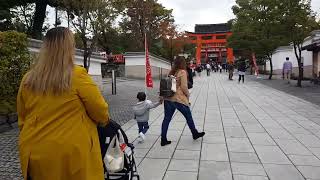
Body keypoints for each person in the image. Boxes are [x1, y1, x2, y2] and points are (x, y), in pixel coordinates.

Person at [17, 27, 109, 180]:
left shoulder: (28, 78)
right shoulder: (76, 75)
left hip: (34, 150)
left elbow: (22, 117)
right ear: (69, 48)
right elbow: (100, 111)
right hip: (71, 154)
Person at [161, 57, 205, 146]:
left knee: (166, 119)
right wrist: (188, 95)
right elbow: (184, 86)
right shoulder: (182, 72)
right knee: (188, 116)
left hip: (168, 99)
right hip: (178, 99)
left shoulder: (172, 72)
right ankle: (195, 133)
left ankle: (163, 139)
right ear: (182, 63)